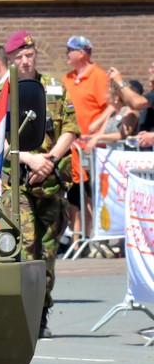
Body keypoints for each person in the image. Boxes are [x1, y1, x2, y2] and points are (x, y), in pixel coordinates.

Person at [0, 30, 78, 338]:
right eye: (18, 57)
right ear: (10, 60)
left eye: (29, 55)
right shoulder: (1, 93)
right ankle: (24, 316)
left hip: (51, 183)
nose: (25, 61)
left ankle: (42, 315)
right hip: (19, 182)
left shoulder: (55, 88)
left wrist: (48, 161)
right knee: (25, 248)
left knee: (46, 254)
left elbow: (71, 129)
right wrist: (30, 160)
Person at [62, 36, 109, 246]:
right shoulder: (68, 78)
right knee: (74, 195)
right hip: (71, 148)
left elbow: (110, 107)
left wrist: (96, 131)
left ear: (82, 53)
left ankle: (92, 239)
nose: (66, 54)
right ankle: (76, 241)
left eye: (69, 50)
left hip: (92, 148)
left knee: (91, 195)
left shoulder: (98, 76)